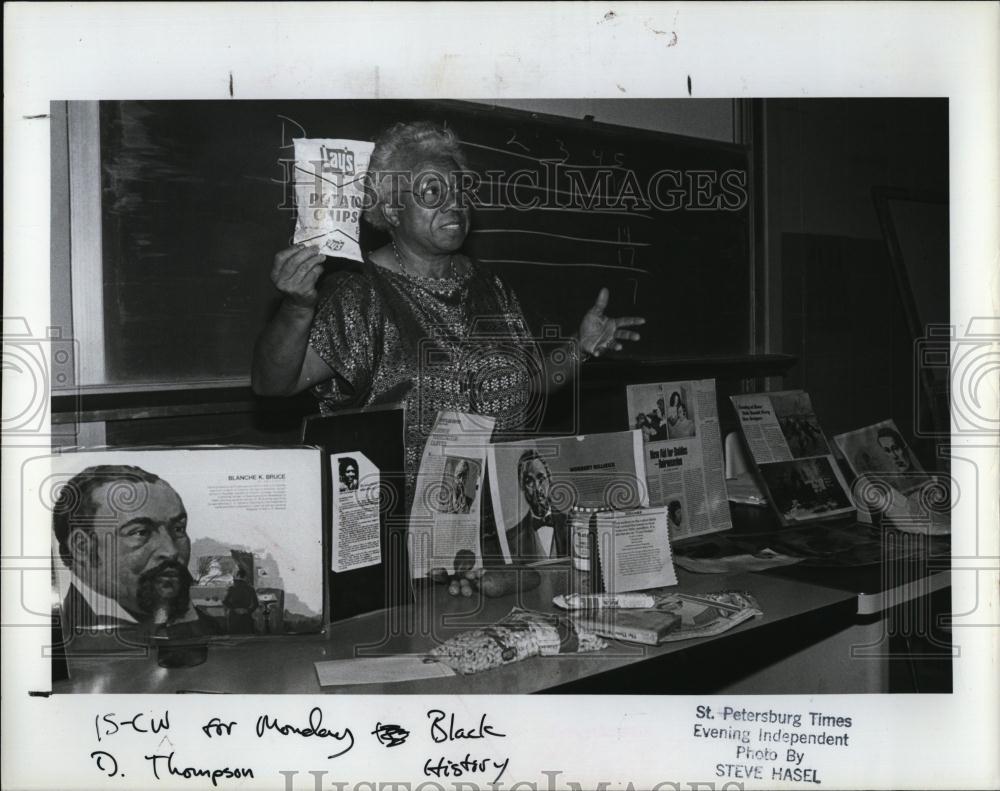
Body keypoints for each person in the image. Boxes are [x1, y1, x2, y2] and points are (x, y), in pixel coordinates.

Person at [252, 121, 645, 506]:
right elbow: (273, 384)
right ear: (391, 208)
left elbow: (531, 383)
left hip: (498, 522)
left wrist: (581, 348)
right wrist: (297, 308)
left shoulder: (490, 287)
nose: (454, 202)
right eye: (432, 191)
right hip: (398, 530)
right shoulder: (361, 293)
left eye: (459, 190)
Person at [52, 465, 220, 640]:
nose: (171, 551)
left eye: (178, 529)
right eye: (140, 532)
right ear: (82, 547)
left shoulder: (211, 628)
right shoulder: (55, 633)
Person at [504, 450, 570, 564]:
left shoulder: (572, 525)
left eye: (541, 479)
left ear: (550, 480)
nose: (538, 488)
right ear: (522, 487)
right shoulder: (512, 539)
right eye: (529, 481)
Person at [222, 569, 259, 634]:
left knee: (233, 636)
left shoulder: (231, 588)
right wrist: (247, 610)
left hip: (234, 616)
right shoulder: (251, 589)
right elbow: (256, 604)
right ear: (245, 577)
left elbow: (225, 601)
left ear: (237, 576)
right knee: (247, 637)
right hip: (246, 616)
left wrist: (235, 609)